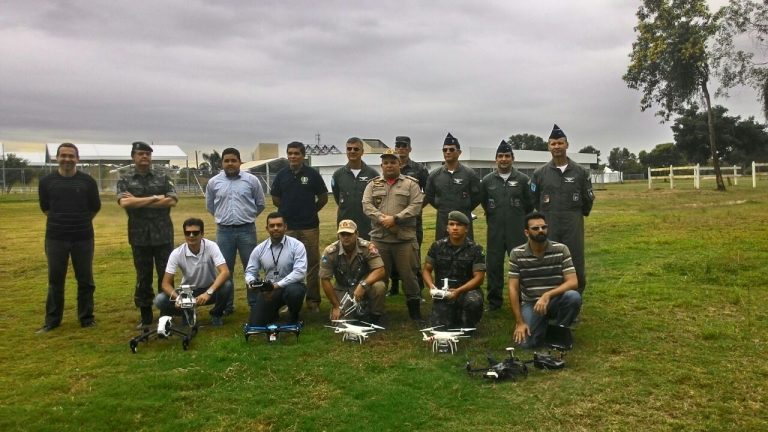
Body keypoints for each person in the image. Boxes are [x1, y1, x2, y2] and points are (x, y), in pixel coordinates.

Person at [37, 143, 101, 333]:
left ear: (77, 159)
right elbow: (45, 208)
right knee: (55, 280)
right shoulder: (47, 182)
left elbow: (94, 207)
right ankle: (52, 320)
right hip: (56, 238)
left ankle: (86, 318)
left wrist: (79, 221)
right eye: (63, 155)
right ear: (57, 158)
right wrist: (62, 221)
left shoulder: (88, 182)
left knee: (86, 280)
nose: (67, 159)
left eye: (71, 156)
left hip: (83, 238)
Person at [117, 141, 178, 329]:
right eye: (140, 153)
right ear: (133, 156)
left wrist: (137, 201)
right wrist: (154, 198)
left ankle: (166, 314)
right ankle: (145, 315)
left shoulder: (162, 176)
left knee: (165, 276)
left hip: (163, 235)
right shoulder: (125, 179)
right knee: (143, 276)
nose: (144, 157)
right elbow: (124, 203)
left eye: (147, 154)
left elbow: (172, 200)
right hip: (139, 236)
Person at [530, 124, 594, 294]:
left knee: (575, 259)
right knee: (548, 259)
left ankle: (576, 296)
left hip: (573, 223)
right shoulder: (540, 173)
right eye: (553, 143)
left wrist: (578, 214)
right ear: (548, 146)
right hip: (549, 223)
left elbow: (588, 199)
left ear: (567, 145)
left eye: (560, 143)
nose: (556, 146)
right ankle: (549, 296)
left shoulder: (580, 172)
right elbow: (534, 199)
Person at [362, 149, 424, 322]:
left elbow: (416, 206)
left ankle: (415, 312)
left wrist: (396, 218)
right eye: (386, 162)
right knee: (379, 277)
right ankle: (376, 312)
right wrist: (383, 220)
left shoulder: (411, 184)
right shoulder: (372, 185)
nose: (389, 165)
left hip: (403, 239)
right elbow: (366, 205)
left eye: (393, 162)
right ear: (381, 166)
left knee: (410, 276)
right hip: (380, 240)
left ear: (400, 164)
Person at [205, 147, 266, 316]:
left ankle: (254, 304)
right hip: (224, 232)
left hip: (247, 230)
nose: (230, 163)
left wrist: (247, 216)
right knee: (226, 270)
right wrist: (223, 218)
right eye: (227, 161)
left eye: (233, 160)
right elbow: (211, 206)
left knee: (251, 268)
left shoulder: (251, 180)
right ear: (222, 163)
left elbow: (260, 203)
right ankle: (227, 306)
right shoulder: (213, 182)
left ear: (240, 162)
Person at [508, 212, 581, 349]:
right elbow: (513, 288)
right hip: (531, 304)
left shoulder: (561, 249)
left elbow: (573, 282)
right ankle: (544, 327)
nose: (541, 230)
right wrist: (519, 322)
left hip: (555, 300)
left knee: (573, 297)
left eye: (544, 227)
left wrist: (547, 295)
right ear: (526, 232)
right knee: (526, 344)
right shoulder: (516, 254)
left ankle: (560, 331)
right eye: (535, 228)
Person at [270, 141, 328, 313]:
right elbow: (276, 199)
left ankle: (313, 301)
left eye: (297, 153)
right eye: (290, 153)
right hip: (288, 228)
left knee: (312, 263)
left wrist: (310, 211)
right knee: (287, 264)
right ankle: (289, 300)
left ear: (303, 156)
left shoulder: (312, 174)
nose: (293, 156)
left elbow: (323, 198)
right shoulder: (281, 175)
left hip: (309, 227)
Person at [480, 140, 533, 311]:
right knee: (494, 265)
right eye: (500, 156)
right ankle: (495, 302)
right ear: (495, 159)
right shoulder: (487, 181)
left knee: (521, 265)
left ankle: (522, 299)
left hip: (516, 230)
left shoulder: (523, 179)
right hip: (495, 230)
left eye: (507, 156)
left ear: (513, 158)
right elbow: (483, 202)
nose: (504, 159)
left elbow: (529, 204)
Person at [154, 218, 233, 326]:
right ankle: (186, 312)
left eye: (195, 233)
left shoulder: (212, 246)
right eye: (187, 233)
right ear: (184, 234)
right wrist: (178, 298)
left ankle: (216, 314)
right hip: (187, 292)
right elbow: (165, 283)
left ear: (202, 234)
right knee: (160, 300)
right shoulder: (176, 253)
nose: (191, 236)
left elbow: (225, 272)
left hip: (209, 290)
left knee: (227, 285)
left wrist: (208, 293)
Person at [422, 211, 486, 330]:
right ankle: (454, 316)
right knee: (439, 327)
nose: (455, 228)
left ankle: (469, 323)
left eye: (459, 225)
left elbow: (479, 278)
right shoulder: (437, 246)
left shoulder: (476, 249)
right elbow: (426, 270)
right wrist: (431, 286)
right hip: (444, 293)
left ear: (466, 228)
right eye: (451, 224)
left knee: (473, 302)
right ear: (447, 228)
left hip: (467, 291)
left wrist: (459, 291)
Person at [244, 212, 307, 325]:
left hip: (291, 287)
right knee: (256, 324)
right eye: (272, 226)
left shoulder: (297, 246)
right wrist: (252, 283)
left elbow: (300, 272)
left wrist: (277, 286)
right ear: (267, 228)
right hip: (269, 291)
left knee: (295, 292)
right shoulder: (259, 249)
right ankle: (274, 313)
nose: (275, 228)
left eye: (279, 225)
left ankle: (293, 315)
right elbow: (250, 271)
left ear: (285, 227)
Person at [319, 220, 387, 324]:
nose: (346, 237)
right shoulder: (330, 252)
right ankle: (353, 310)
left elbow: (380, 270)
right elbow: (324, 279)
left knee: (379, 286)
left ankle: (375, 316)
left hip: (364, 286)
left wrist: (363, 285)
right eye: (342, 234)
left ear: (357, 234)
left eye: (349, 234)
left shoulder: (367, 247)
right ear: (338, 235)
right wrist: (336, 306)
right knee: (341, 323)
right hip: (343, 288)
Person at [389, 135, 429, 296]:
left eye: (404, 146)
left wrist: (417, 207)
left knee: (413, 254)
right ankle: (394, 287)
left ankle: (417, 289)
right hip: (393, 218)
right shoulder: (390, 166)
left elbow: (428, 193)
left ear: (410, 149)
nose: (401, 149)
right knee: (391, 252)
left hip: (412, 220)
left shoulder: (419, 169)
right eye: (398, 146)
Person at [425, 133, 482, 241]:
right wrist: (442, 206)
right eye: (445, 150)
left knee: (466, 250)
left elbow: (477, 196)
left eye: (451, 149)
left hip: (463, 218)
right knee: (442, 251)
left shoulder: (469, 174)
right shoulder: (435, 175)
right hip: (443, 219)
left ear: (459, 152)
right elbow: (430, 196)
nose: (447, 152)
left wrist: (464, 206)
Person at [331, 137, 379, 240]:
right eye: (349, 149)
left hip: (367, 226)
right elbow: (337, 198)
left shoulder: (373, 174)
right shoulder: (338, 175)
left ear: (362, 152)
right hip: (345, 226)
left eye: (356, 149)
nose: (352, 151)